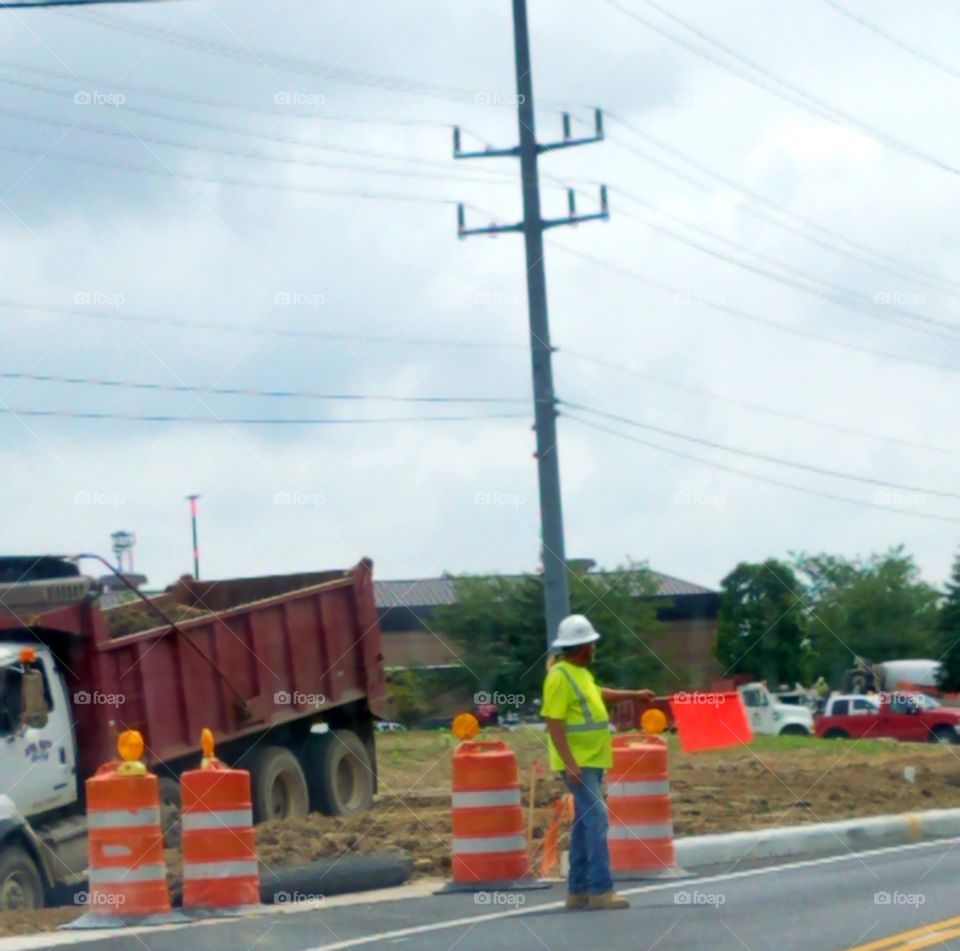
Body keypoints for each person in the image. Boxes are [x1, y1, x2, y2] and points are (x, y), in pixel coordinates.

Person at [541, 614, 655, 912]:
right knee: (597, 820)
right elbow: (553, 722)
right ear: (582, 647)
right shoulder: (559, 676)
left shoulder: (579, 674)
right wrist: (570, 763)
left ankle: (578, 891)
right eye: (591, 644)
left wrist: (633, 695)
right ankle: (601, 890)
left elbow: (599, 694)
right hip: (579, 764)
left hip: (591, 761)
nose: (594, 648)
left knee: (583, 825)